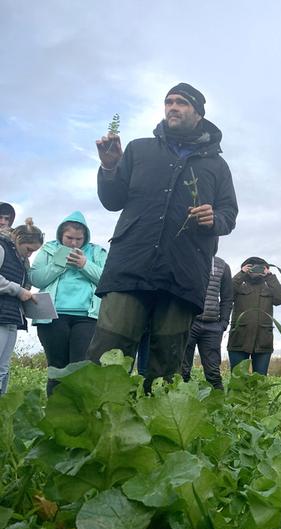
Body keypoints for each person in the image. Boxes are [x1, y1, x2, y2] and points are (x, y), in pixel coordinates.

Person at [87, 83, 238, 391]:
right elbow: (112, 201)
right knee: (107, 358)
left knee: (165, 369)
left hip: (182, 274)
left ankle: (157, 432)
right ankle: (95, 429)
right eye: (168, 102)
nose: (173, 107)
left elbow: (229, 215)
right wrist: (110, 167)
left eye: (181, 102)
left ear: (197, 113)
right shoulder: (139, 149)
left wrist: (215, 219)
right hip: (130, 267)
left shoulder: (217, 166)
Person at [29, 212, 107, 395]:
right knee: (57, 368)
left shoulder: (96, 252)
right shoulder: (48, 250)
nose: (74, 243)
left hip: (87, 318)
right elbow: (36, 279)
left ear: (85, 236)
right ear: (60, 235)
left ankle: (78, 416)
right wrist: (59, 263)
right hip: (51, 317)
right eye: (69, 238)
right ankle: (56, 416)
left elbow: (108, 280)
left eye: (79, 239)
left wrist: (84, 265)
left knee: (80, 368)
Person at [0, 219, 44, 394]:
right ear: (18, 239)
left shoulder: (20, 260)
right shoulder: (2, 248)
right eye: (29, 249)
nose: (29, 255)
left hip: (11, 316)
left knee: (4, 368)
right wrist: (17, 290)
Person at [181, 248, 233, 389]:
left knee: (213, 372)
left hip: (213, 327)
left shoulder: (223, 266)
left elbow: (227, 297)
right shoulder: (186, 259)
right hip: (189, 322)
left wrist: (223, 323)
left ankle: (220, 407)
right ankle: (180, 402)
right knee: (182, 370)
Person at [227, 257, 281, 374]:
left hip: (263, 341)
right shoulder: (239, 286)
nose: (256, 269)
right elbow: (227, 293)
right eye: (252, 266)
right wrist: (241, 274)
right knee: (237, 381)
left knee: (260, 383)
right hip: (239, 339)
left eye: (260, 267)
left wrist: (270, 276)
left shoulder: (269, 287)